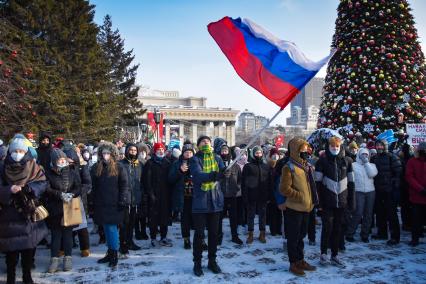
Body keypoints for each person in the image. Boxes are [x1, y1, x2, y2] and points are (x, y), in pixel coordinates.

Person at [0, 135, 49, 284]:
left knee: (29, 246)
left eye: (21, 150)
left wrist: (28, 188)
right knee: (11, 250)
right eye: (15, 151)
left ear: (26, 151)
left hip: (27, 211)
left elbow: (42, 183)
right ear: (10, 152)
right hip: (8, 213)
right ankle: (11, 277)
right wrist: (9, 190)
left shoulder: (33, 165)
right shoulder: (2, 167)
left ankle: (27, 275)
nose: (18, 153)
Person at [280, 138, 317, 276]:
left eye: (306, 149)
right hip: (294, 209)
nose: (306, 152)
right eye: (303, 149)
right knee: (293, 238)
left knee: (301, 236)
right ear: (296, 151)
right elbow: (284, 189)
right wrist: (299, 195)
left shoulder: (306, 166)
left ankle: (300, 260)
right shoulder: (288, 167)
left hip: (306, 208)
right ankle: (293, 263)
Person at [315, 137, 354, 268]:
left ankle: (335, 255)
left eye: (337, 147)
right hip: (327, 202)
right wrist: (318, 203)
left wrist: (351, 202)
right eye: (333, 147)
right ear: (328, 147)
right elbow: (318, 184)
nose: (335, 149)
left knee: (338, 229)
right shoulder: (322, 161)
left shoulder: (347, 161)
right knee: (327, 228)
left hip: (342, 202)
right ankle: (323, 253)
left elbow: (352, 183)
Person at [190, 135, 225, 277]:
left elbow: (222, 172)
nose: (206, 143)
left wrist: (225, 172)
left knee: (213, 234)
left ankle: (212, 260)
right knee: (199, 235)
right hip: (200, 202)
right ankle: (197, 263)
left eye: (208, 141)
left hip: (215, 201)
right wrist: (214, 174)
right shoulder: (195, 159)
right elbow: (198, 176)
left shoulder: (217, 158)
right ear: (198, 145)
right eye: (203, 141)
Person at [91, 142, 130, 268]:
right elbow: (94, 186)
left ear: (112, 154)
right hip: (102, 203)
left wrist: (123, 199)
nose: (105, 155)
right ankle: (110, 252)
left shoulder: (119, 167)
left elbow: (124, 184)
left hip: (114, 203)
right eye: (103, 153)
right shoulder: (98, 167)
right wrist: (93, 201)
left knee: (112, 229)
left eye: (108, 153)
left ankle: (114, 253)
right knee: (106, 228)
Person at [45, 148, 81, 273]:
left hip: (69, 206)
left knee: (68, 235)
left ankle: (68, 258)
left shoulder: (71, 171)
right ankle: (54, 259)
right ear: (54, 161)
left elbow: (78, 187)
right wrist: (59, 194)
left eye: (63, 159)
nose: (62, 161)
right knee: (55, 235)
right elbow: (47, 188)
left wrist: (72, 194)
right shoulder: (49, 173)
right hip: (55, 207)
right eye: (59, 160)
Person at [371, 140, 402, 245]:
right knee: (380, 213)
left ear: (385, 146)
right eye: (377, 145)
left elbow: (398, 172)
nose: (379, 147)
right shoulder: (374, 158)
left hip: (389, 190)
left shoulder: (391, 157)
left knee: (392, 214)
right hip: (378, 189)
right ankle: (382, 233)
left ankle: (395, 236)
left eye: (381, 145)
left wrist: (394, 185)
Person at [143, 142, 172, 247]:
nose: (160, 151)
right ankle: (153, 237)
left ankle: (163, 237)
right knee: (153, 218)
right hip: (154, 194)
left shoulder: (167, 163)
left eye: (162, 149)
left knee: (165, 217)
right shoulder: (149, 163)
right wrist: (150, 193)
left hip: (165, 194)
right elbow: (146, 180)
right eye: (158, 149)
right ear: (154, 151)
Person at [346, 148, 378, 243]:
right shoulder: (353, 165)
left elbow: (372, 174)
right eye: (362, 154)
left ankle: (365, 234)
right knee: (358, 213)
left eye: (366, 154)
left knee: (368, 214)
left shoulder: (372, 165)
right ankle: (350, 233)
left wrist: (366, 163)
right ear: (359, 154)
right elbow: (350, 178)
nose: (364, 156)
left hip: (370, 191)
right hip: (358, 191)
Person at [242, 145, 272, 244]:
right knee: (250, 215)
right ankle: (250, 234)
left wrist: (269, 195)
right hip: (251, 195)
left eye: (260, 153)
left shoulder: (266, 166)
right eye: (256, 153)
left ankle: (262, 233)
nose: (258, 154)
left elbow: (269, 182)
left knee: (262, 215)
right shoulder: (248, 166)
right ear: (253, 154)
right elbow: (244, 182)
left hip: (263, 195)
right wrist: (245, 195)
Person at [168, 143, 195, 249]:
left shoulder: (197, 162)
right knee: (185, 220)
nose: (188, 154)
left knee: (198, 219)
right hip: (183, 196)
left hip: (196, 196)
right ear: (182, 153)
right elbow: (170, 179)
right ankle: (186, 239)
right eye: (186, 152)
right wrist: (180, 171)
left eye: (190, 152)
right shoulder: (176, 164)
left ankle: (200, 239)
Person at [119, 143, 143, 254]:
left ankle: (130, 241)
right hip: (125, 198)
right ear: (127, 151)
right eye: (131, 150)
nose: (133, 152)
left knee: (132, 222)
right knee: (124, 223)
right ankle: (123, 243)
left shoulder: (139, 165)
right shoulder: (121, 164)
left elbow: (141, 181)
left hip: (135, 198)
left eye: (134, 150)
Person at [217, 143, 243, 245]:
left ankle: (234, 236)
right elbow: (214, 177)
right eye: (223, 151)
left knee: (233, 217)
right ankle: (218, 236)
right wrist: (221, 174)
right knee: (219, 218)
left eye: (226, 151)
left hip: (232, 195)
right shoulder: (217, 164)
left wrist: (237, 189)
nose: (224, 152)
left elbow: (240, 180)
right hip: (220, 195)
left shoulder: (235, 166)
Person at [405, 142, 426, 246]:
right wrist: (420, 189)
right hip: (417, 196)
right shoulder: (412, 161)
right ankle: (415, 239)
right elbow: (409, 177)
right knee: (416, 220)